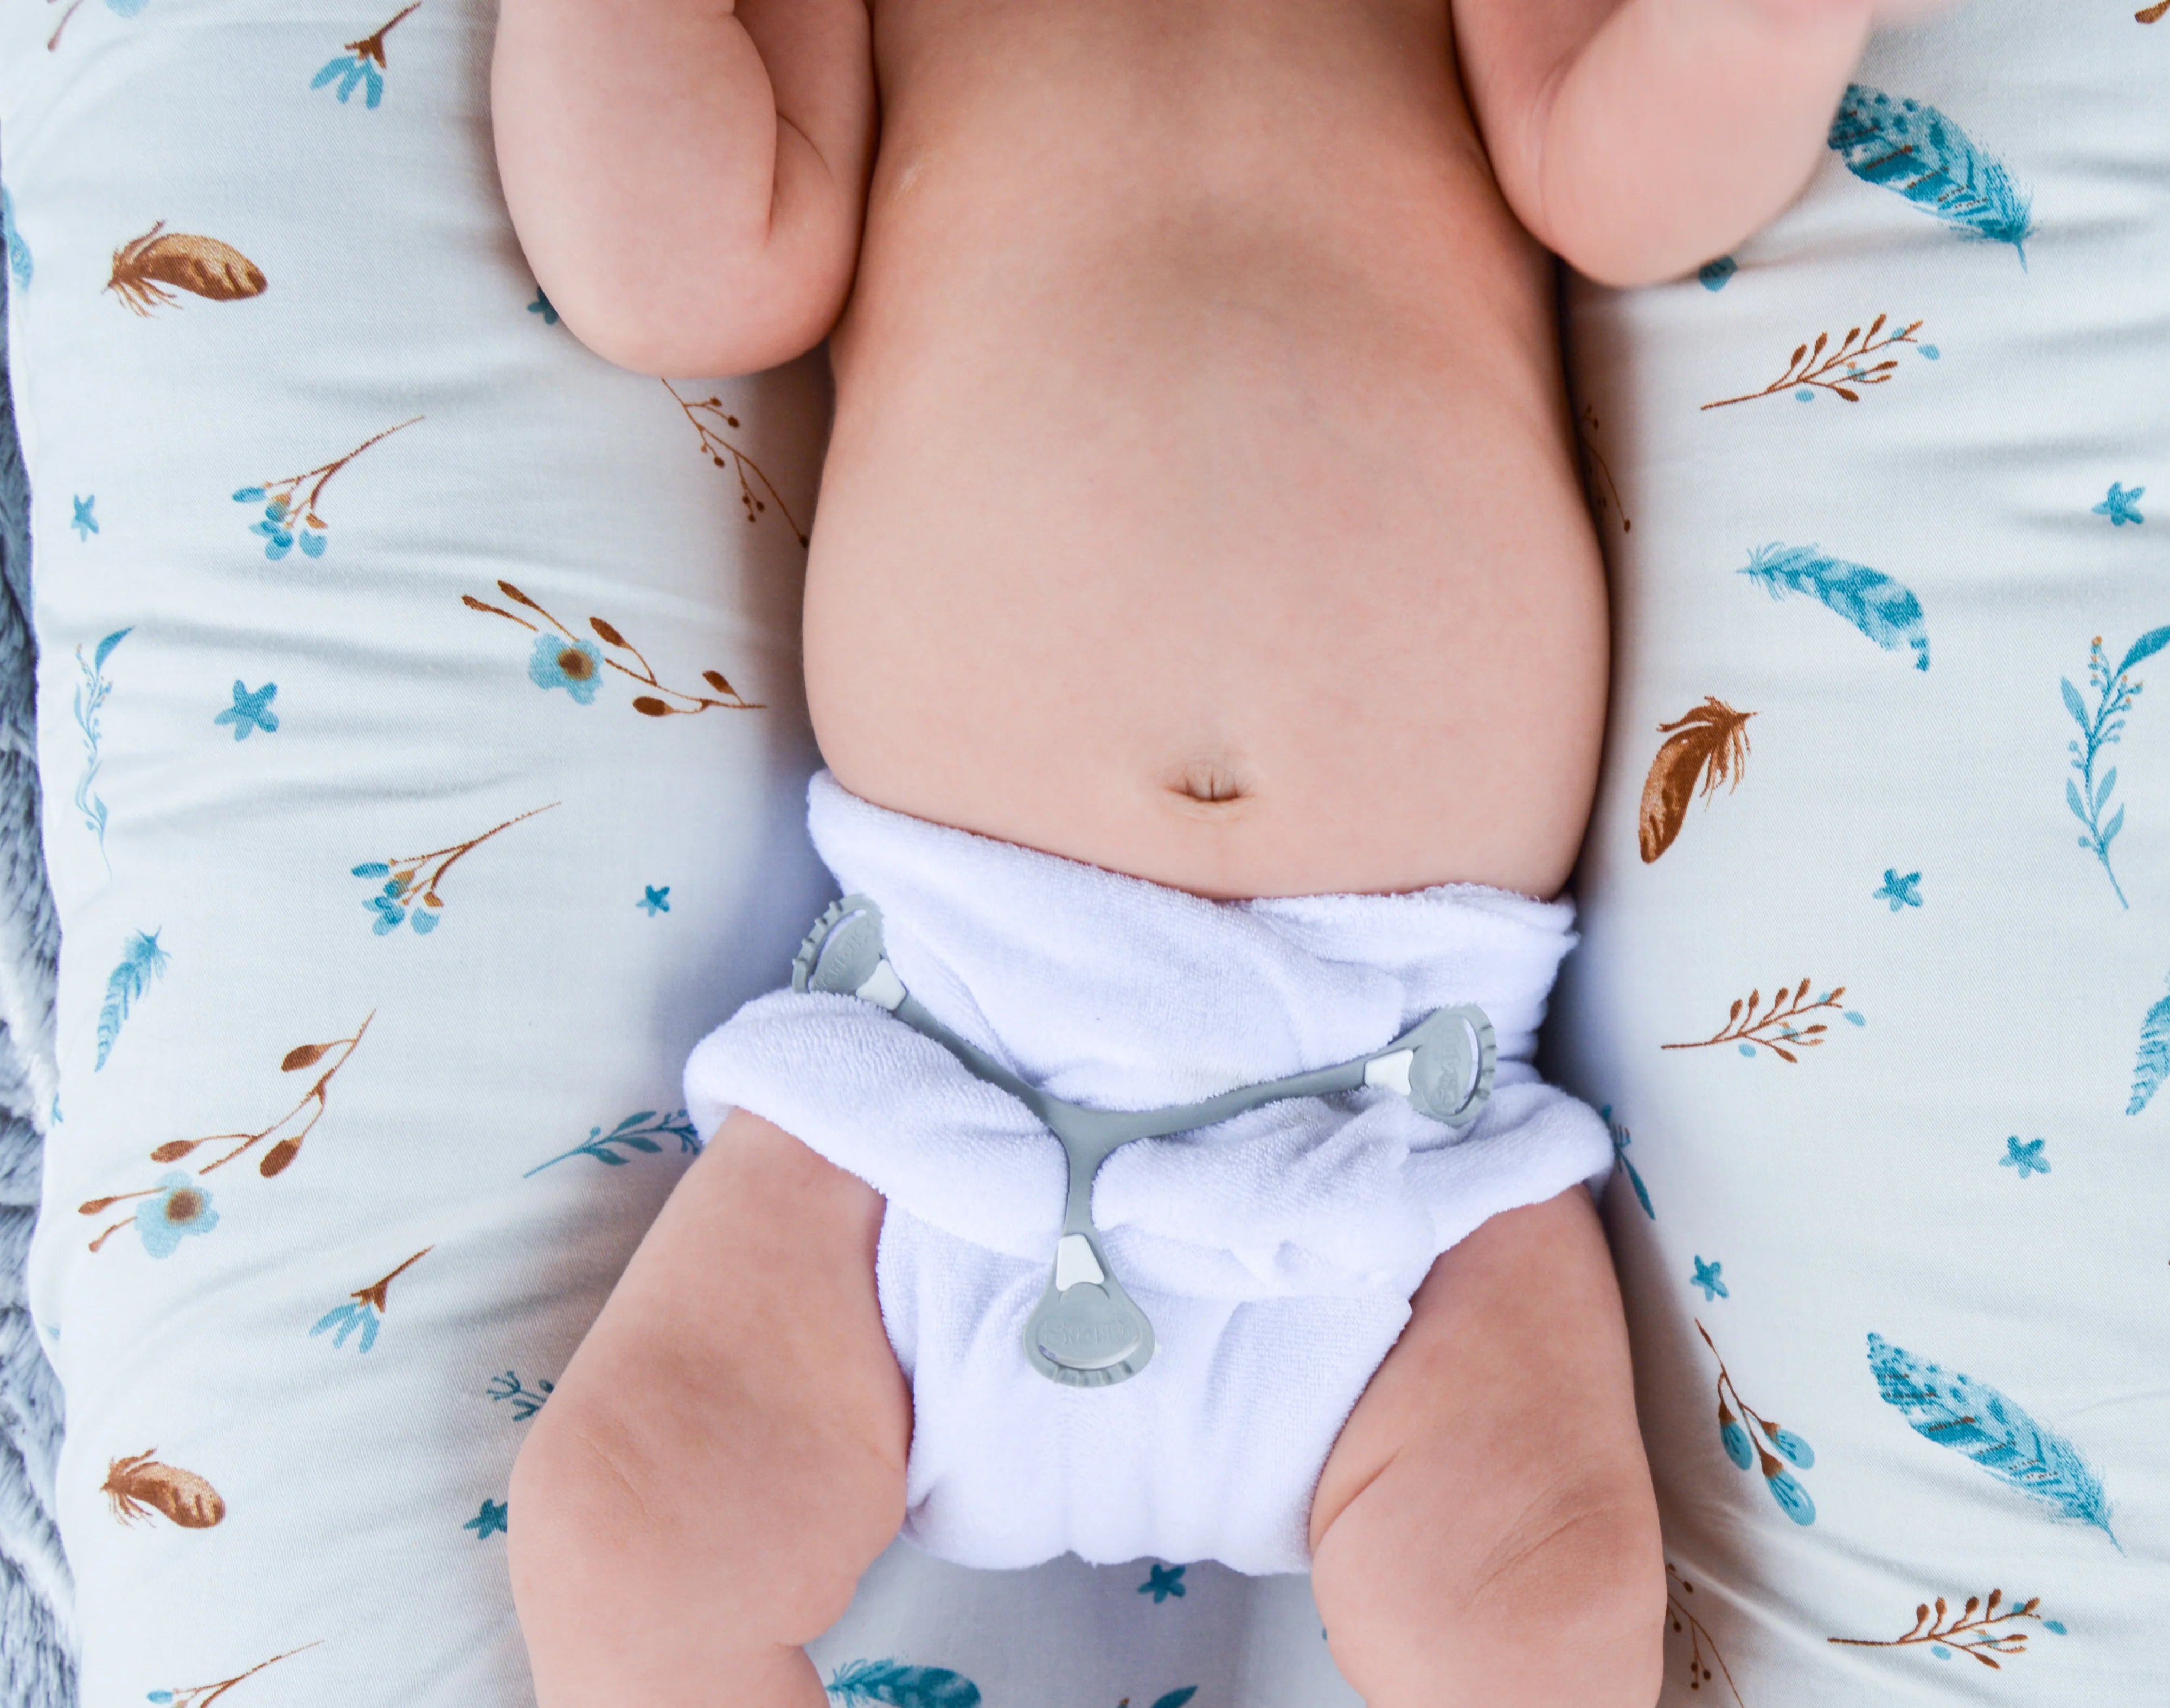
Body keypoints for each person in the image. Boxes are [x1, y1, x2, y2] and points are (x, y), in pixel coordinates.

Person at [488, 0, 1898, 1701]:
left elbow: (1627, 190)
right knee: (629, 1528)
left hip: (1403, 1114)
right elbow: (685, 279)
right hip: (933, 1071)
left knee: (1534, 1607)